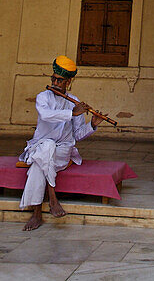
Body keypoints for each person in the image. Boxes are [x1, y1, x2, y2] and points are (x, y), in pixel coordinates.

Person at [19, 55, 106, 231]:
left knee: (43, 157)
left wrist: (93, 124)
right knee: (46, 149)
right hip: (40, 145)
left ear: (68, 82)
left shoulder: (74, 101)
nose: (56, 82)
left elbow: (78, 134)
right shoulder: (43, 97)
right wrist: (71, 114)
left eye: (60, 80)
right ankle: (52, 199)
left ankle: (37, 213)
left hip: (63, 151)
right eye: (53, 79)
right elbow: (45, 115)